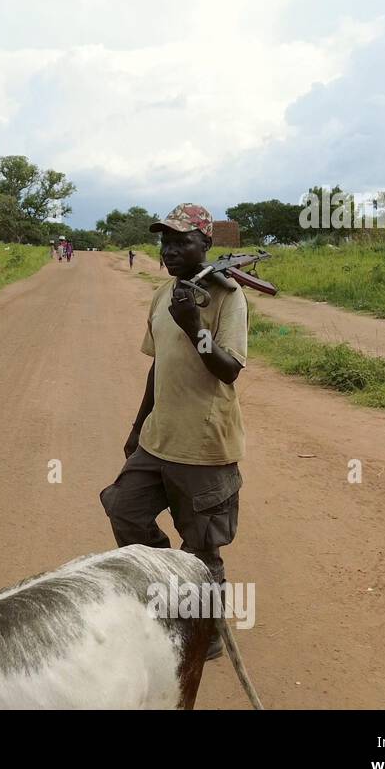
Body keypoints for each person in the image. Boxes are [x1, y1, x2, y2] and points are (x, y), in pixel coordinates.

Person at [98, 203, 249, 660]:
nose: (170, 249)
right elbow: (158, 365)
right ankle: (167, 577)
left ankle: (208, 633)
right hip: (158, 439)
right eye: (165, 240)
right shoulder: (164, 292)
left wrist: (195, 325)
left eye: (182, 240)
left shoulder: (228, 297)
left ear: (206, 244)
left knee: (203, 544)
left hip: (204, 445)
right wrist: (137, 424)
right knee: (122, 507)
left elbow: (229, 371)